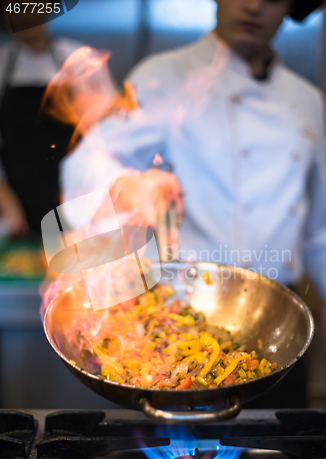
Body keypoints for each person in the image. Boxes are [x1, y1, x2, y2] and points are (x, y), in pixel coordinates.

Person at [61, 0, 325, 407]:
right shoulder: (162, 77)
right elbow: (84, 165)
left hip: (278, 329)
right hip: (184, 324)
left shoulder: (308, 101)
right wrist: (127, 185)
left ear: (293, 6)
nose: (253, 5)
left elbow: (319, 232)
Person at [0, 8, 83, 235]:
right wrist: (6, 200)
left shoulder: (78, 59)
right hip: (16, 198)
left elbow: (106, 134)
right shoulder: (2, 62)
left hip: (74, 194)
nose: (26, 14)